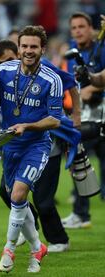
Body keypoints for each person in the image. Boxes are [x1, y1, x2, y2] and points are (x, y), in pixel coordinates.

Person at [0, 39, 81, 253]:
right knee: (7, 192)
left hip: (46, 142)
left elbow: (71, 84)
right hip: (15, 141)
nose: (9, 64)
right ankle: (29, 229)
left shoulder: (46, 70)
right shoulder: (5, 74)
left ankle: (59, 239)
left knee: (43, 199)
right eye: (2, 62)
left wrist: (76, 114)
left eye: (9, 59)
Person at [0, 26, 63, 273]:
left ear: (42, 49)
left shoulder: (51, 79)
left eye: (34, 47)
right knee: (17, 199)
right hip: (9, 146)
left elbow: (55, 120)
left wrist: (28, 125)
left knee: (17, 195)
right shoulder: (2, 71)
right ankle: (37, 246)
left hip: (36, 145)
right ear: (18, 47)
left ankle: (9, 249)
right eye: (24, 46)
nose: (29, 51)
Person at [62, 12, 105, 228]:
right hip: (86, 114)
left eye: (82, 26)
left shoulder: (102, 47)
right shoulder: (73, 51)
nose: (78, 30)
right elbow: (74, 84)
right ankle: (81, 214)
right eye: (74, 27)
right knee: (78, 159)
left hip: (103, 111)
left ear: (91, 28)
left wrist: (93, 87)